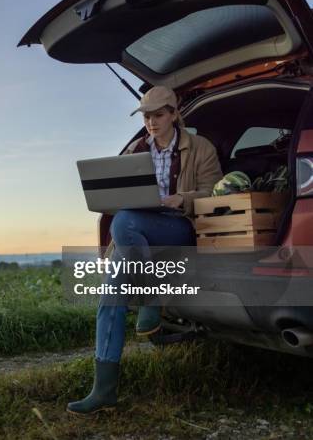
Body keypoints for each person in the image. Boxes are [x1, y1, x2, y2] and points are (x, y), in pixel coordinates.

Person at [67, 85, 223, 415]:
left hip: (178, 226)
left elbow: (215, 190)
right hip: (135, 231)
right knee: (110, 297)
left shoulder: (200, 147)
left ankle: (151, 298)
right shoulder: (136, 150)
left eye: (157, 115)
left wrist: (183, 199)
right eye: (146, 116)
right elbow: (119, 193)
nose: (150, 122)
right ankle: (104, 390)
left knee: (125, 222)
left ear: (174, 114)